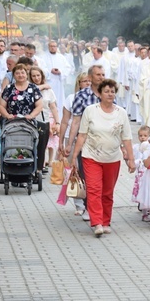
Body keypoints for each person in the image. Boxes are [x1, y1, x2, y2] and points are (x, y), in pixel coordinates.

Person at [72, 79, 135, 237]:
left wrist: (131, 159)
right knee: (94, 190)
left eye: (112, 91)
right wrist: (74, 156)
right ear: (99, 94)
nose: (110, 94)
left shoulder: (121, 113)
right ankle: (97, 223)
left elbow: (127, 138)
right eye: (106, 91)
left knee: (107, 192)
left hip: (112, 158)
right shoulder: (90, 111)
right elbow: (82, 135)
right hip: (91, 156)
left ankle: (106, 222)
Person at [60, 73, 91, 216]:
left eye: (89, 81)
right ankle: (79, 203)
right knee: (75, 171)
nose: (87, 84)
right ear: (79, 83)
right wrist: (62, 141)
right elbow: (66, 121)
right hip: (72, 137)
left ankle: (89, 202)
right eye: (84, 81)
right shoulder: (71, 98)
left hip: (89, 138)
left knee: (88, 171)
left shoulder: (94, 98)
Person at [29, 67, 61, 173]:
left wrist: (57, 122)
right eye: (34, 76)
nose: (36, 78)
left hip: (45, 121)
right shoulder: (29, 89)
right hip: (32, 120)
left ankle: (39, 168)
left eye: (38, 75)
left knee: (42, 146)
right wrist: (42, 86)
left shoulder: (49, 91)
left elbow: (53, 107)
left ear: (42, 76)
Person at [131, 125, 150, 222]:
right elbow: (133, 158)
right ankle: (144, 212)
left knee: (149, 192)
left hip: (149, 173)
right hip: (140, 174)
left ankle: (149, 210)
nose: (142, 138)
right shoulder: (136, 147)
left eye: (145, 135)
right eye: (140, 136)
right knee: (142, 192)